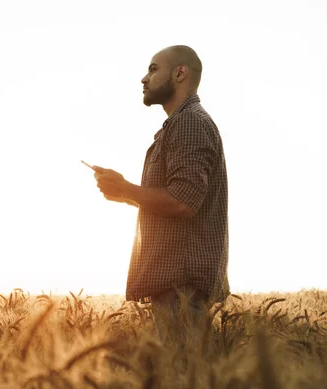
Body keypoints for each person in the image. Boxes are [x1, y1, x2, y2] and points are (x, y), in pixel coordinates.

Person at [92, 45, 229, 343]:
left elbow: (182, 202)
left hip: (182, 284)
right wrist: (123, 192)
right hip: (176, 282)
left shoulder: (190, 123)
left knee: (182, 379)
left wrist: (126, 188)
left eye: (153, 69)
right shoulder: (178, 125)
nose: (144, 78)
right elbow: (173, 198)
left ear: (180, 73)